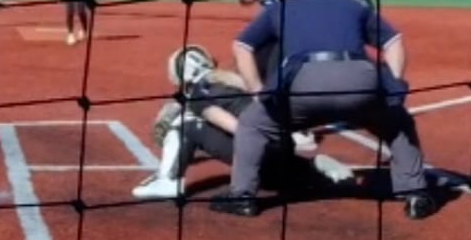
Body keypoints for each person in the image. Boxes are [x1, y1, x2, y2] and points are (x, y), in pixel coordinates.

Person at [212, 0, 439, 220]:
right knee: (398, 123)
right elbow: (393, 41)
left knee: (253, 123)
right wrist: (393, 85)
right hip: (359, 81)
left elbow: (242, 46)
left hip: (305, 84)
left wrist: (258, 91)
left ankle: (242, 196)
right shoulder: (351, 4)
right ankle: (415, 194)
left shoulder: (280, 7)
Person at [132, 44, 356, 200]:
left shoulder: (199, 95)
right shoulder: (232, 81)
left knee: (185, 124)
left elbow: (241, 130)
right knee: (275, 166)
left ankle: (169, 180)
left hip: (262, 156)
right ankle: (310, 168)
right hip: (283, 147)